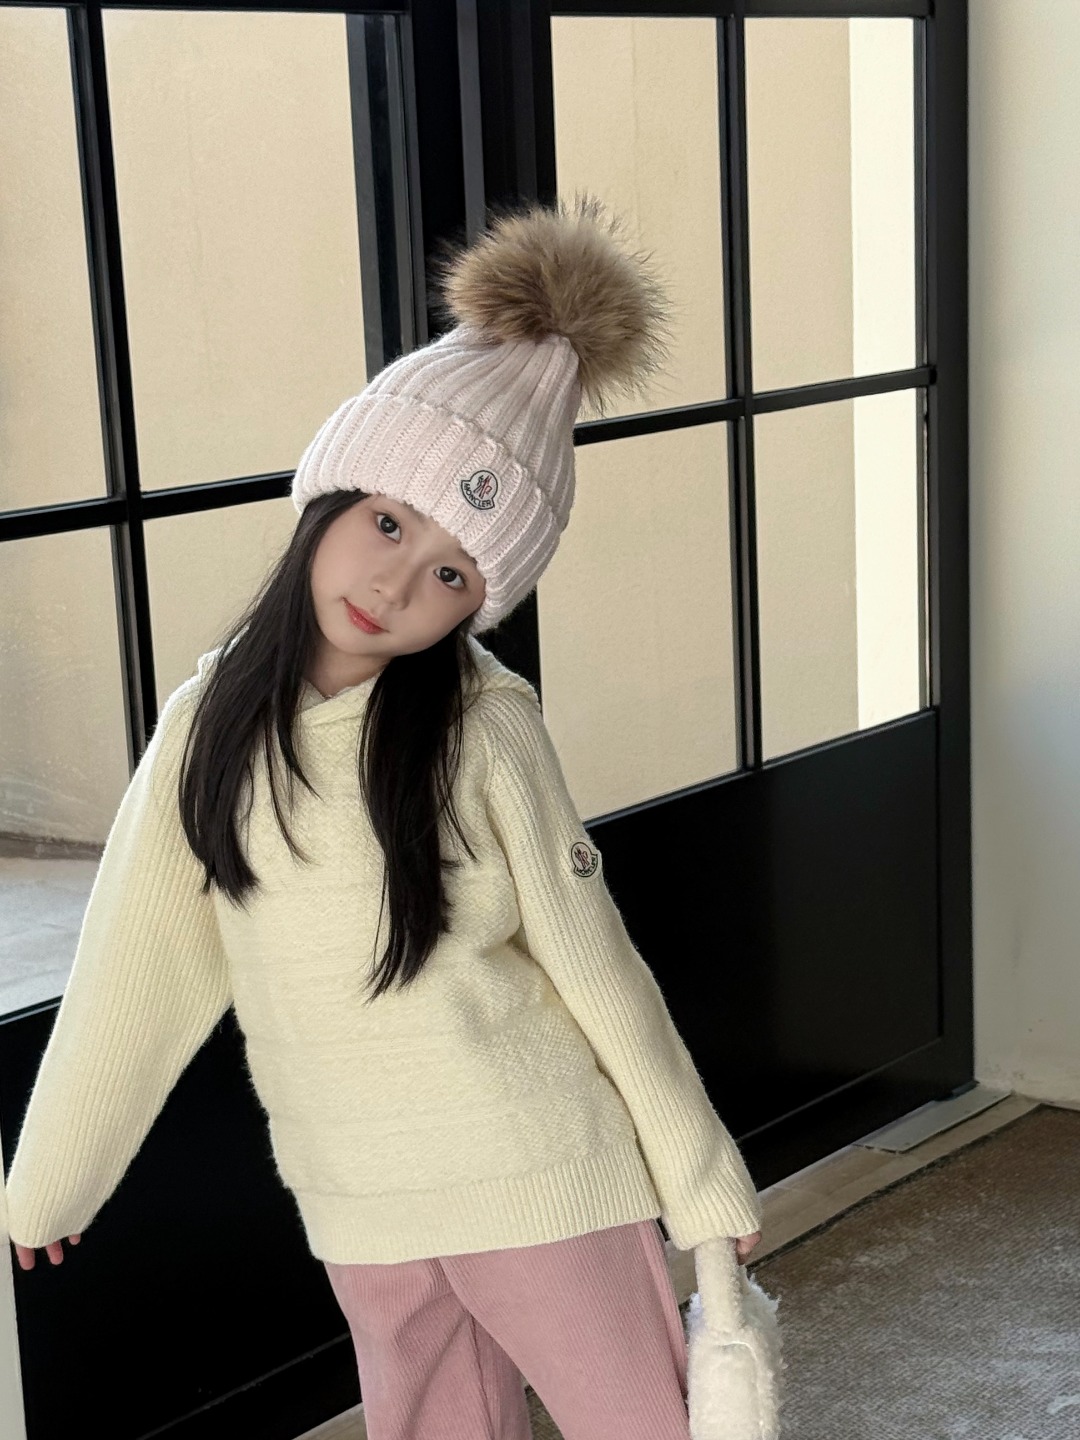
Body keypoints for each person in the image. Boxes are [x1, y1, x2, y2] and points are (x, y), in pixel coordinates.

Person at [3, 194, 763, 1440]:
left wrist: (699, 1174)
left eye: (452, 572)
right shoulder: (207, 728)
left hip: (541, 1175)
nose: (397, 583)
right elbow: (137, 965)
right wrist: (50, 1179)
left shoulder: (485, 726)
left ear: (481, 602)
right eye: (389, 524)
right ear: (333, 496)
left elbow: (594, 964)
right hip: (361, 1199)